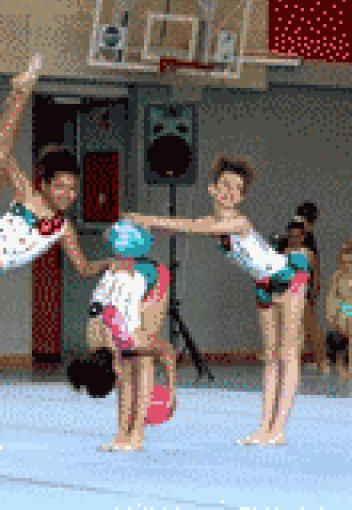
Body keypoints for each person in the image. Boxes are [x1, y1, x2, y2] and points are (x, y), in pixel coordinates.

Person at [0, 54, 110, 451]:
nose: (67, 195)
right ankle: (21, 92)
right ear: (46, 185)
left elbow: (83, 268)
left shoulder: (64, 229)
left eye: (72, 189)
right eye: (60, 187)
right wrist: (16, 102)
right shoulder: (29, 198)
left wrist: (112, 263)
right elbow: (0, 152)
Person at [125, 155, 309, 446]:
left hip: (288, 278)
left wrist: (146, 219)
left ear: (242, 197)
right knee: (270, 357)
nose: (230, 192)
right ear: (212, 189)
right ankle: (265, 428)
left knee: (288, 354)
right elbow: (183, 225)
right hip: (263, 285)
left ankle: (279, 429)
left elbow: (189, 228)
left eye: (237, 188)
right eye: (225, 185)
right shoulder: (211, 221)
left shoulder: (238, 222)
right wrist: (145, 222)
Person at [68, 220, 176, 452]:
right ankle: (122, 433)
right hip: (117, 286)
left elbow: (168, 352)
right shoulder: (96, 339)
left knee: (142, 362)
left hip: (153, 279)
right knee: (129, 370)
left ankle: (136, 434)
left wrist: (172, 392)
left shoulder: (132, 339)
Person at [281, 216, 327, 372]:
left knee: (311, 328)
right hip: (288, 294)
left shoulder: (308, 253)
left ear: (303, 237)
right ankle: (293, 361)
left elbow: (314, 275)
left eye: (297, 236)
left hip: (302, 294)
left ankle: (322, 360)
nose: (294, 239)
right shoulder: (284, 253)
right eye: (291, 236)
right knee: (292, 329)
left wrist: (313, 293)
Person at [325, 240, 352, 380]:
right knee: (342, 334)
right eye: (345, 262)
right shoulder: (338, 275)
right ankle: (341, 365)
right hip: (344, 306)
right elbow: (332, 295)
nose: (347, 265)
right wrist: (331, 312)